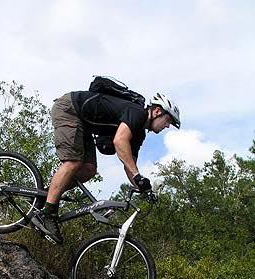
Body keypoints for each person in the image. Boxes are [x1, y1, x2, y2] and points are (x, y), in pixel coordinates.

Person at [34, 89, 180, 244]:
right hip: (70, 109)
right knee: (73, 162)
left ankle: (43, 196)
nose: (168, 126)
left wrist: (144, 188)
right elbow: (119, 141)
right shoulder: (137, 113)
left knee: (89, 169)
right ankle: (47, 214)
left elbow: (129, 165)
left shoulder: (139, 134)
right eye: (168, 120)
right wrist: (137, 175)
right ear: (157, 111)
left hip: (83, 124)